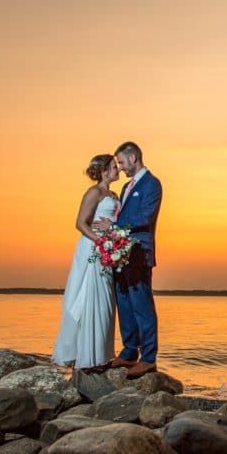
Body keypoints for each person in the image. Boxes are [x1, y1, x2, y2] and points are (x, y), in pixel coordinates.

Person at [94, 140, 162, 378]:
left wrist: (114, 225)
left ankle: (149, 357)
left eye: (121, 162)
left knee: (142, 304)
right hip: (120, 252)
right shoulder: (125, 188)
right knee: (124, 303)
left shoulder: (151, 184)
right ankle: (129, 351)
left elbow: (145, 216)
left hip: (139, 252)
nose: (120, 168)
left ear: (133, 158)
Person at [51, 154, 119, 371]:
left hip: (109, 248)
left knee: (106, 299)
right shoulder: (94, 192)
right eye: (114, 166)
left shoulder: (114, 194)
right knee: (90, 296)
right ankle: (87, 356)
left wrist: (114, 237)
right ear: (103, 170)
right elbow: (80, 223)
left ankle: (102, 353)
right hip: (92, 248)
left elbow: (115, 221)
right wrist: (101, 241)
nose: (117, 169)